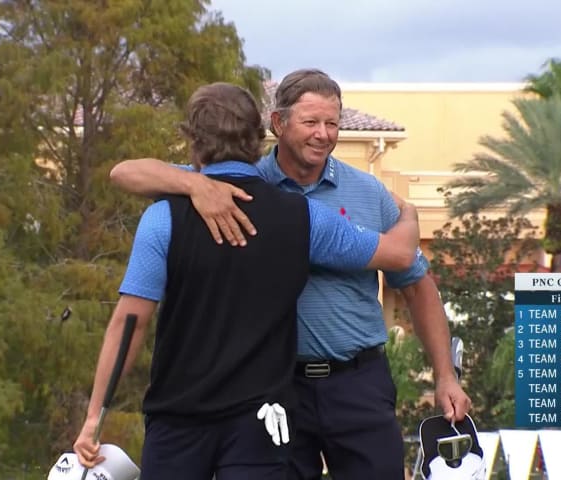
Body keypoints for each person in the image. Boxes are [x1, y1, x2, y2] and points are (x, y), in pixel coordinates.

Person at [108, 69, 472, 480]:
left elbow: (417, 284)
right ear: (278, 124)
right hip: (276, 391)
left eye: (332, 124)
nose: (323, 134)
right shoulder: (244, 181)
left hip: (358, 383)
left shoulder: (369, 193)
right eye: (310, 122)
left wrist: (445, 376)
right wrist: (193, 185)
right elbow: (126, 173)